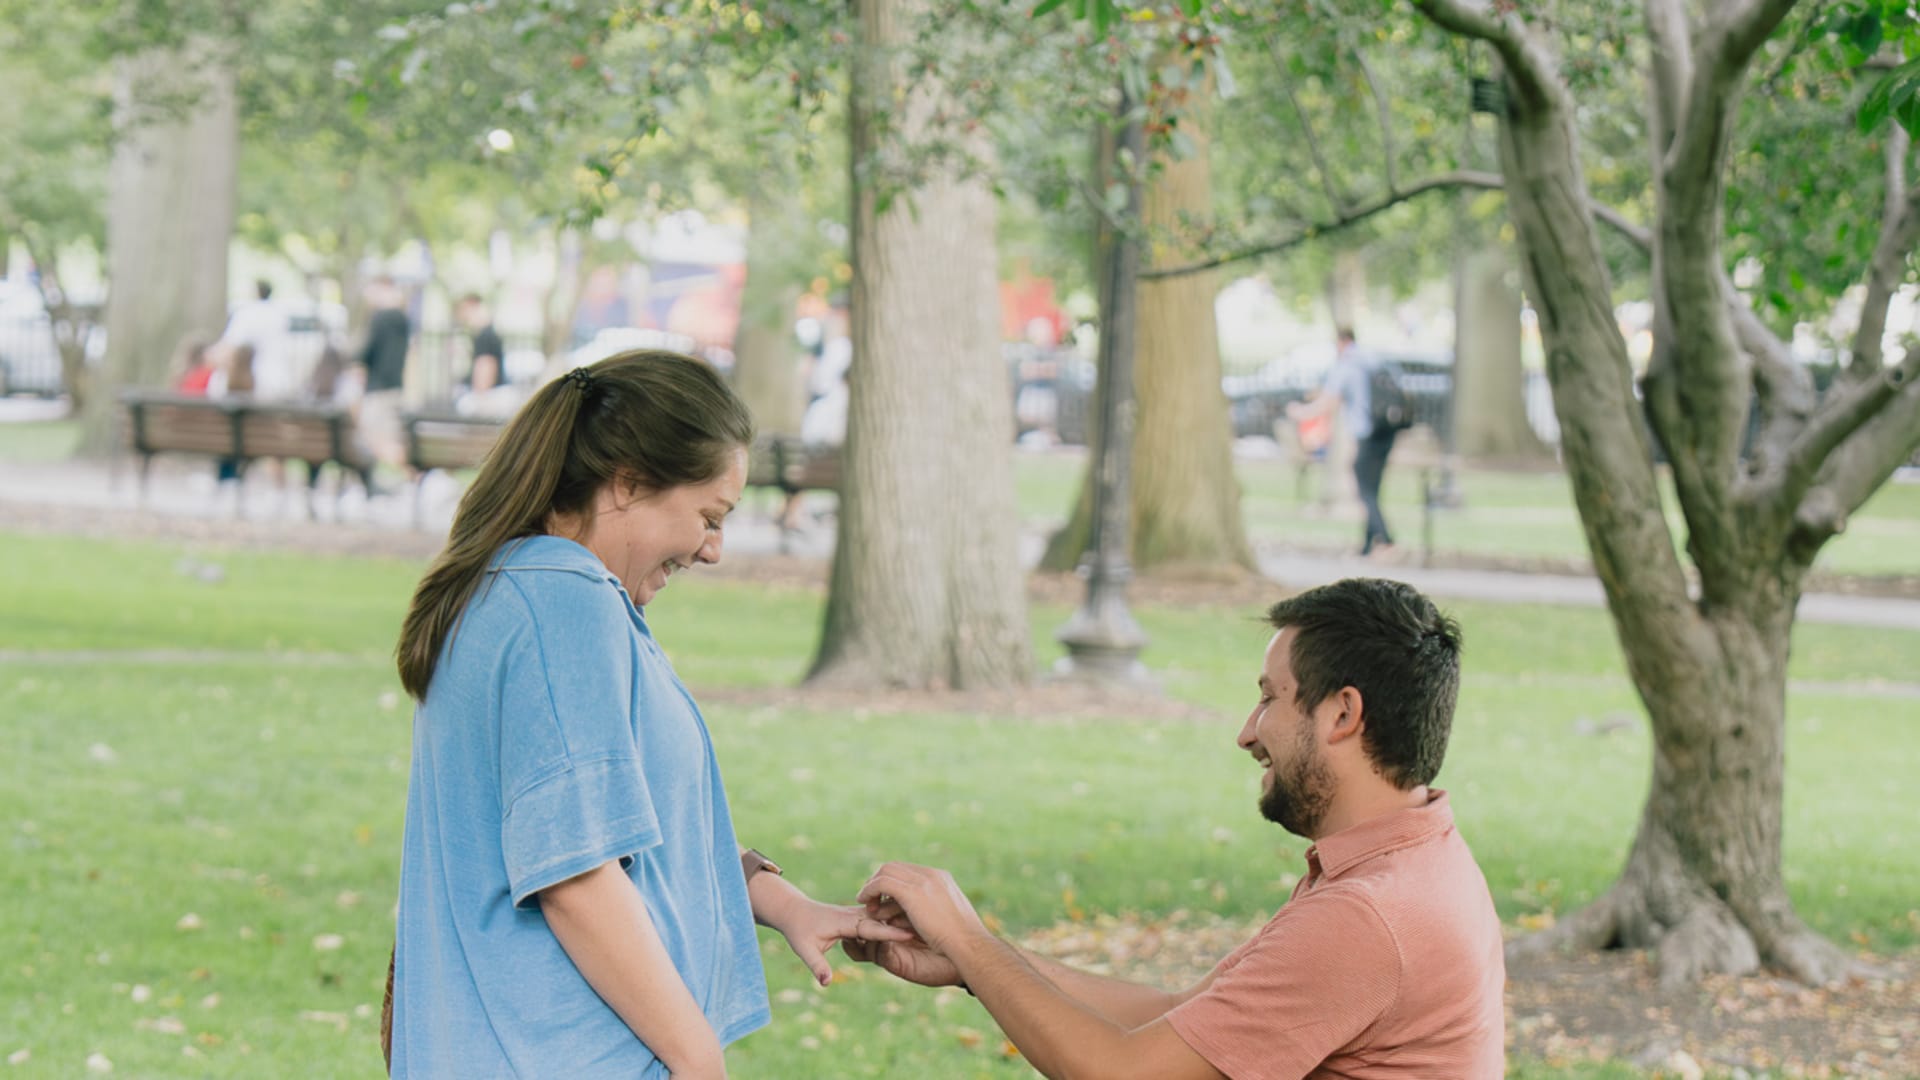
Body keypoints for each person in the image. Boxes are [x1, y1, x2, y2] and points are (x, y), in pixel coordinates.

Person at [385, 350, 907, 1078]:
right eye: (709, 516)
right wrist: (698, 1059)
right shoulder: (564, 607)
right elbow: (577, 874)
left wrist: (784, 902)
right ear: (627, 483)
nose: (714, 549)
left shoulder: (518, 591)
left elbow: (610, 824)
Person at [849, 578, 1504, 1080]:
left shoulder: (1369, 916)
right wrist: (974, 958)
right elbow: (1174, 1016)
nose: (1247, 732)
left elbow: (1127, 1071)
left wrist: (966, 938)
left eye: (1270, 697)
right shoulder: (1416, 860)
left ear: (1341, 713)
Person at [1289, 328, 1399, 560]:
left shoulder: (1347, 365)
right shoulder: (1373, 360)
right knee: (1373, 486)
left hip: (1367, 432)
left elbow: (1329, 400)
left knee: (1363, 486)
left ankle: (1385, 538)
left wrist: (1301, 412)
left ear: (1342, 342)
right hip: (1387, 430)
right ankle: (1368, 544)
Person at [357, 276, 413, 467]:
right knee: (390, 438)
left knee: (373, 437)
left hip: (377, 388)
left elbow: (365, 355)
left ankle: (416, 476)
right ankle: (415, 477)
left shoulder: (380, 318)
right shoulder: (403, 319)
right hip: (395, 386)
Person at [216, 279, 294, 401]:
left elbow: (231, 343)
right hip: (278, 377)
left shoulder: (247, 313)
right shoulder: (279, 315)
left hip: (252, 380)